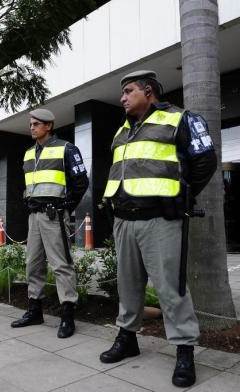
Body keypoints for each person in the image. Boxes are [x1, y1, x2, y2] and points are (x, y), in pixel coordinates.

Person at [100, 70, 217, 387]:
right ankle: (127, 339)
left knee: (171, 288)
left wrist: (182, 195)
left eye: (129, 91)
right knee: (127, 285)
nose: (123, 97)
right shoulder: (122, 130)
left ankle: (184, 351)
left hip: (161, 219)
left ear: (148, 91)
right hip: (124, 219)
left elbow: (205, 160)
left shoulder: (180, 118)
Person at [11, 108, 89, 338]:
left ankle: (68, 316)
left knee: (61, 265)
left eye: (36, 124)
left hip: (55, 214)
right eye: (31, 124)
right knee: (32, 264)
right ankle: (35, 311)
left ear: (48, 126)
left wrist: (65, 207)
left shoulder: (66, 148)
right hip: (34, 216)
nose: (31, 127)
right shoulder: (27, 154)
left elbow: (81, 182)